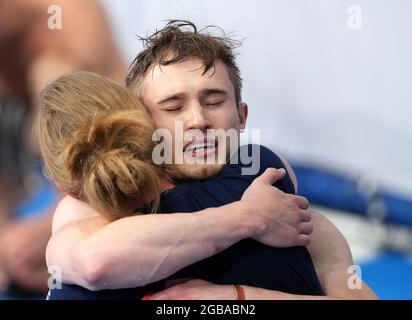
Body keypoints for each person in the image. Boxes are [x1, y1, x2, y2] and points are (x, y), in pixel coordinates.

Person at [45, 20, 377, 299]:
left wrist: (237, 297)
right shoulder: (99, 207)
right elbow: (94, 263)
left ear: (241, 117)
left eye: (214, 101)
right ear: (141, 125)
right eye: (173, 107)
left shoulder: (279, 196)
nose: (197, 120)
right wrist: (248, 217)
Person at [0, 0, 126, 293]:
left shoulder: (71, 20)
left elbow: (113, 150)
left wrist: (48, 229)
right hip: (37, 189)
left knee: (54, 73)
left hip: (96, 180)